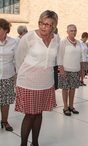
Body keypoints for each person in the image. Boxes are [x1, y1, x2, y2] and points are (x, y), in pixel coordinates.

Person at [15, 10, 59, 146]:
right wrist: (18, 77)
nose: (43, 26)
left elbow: (54, 59)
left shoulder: (56, 38)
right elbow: (19, 58)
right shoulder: (29, 37)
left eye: (47, 24)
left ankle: (35, 143)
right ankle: (23, 144)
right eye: (41, 23)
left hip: (46, 82)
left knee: (39, 113)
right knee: (30, 114)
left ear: (53, 26)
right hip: (29, 81)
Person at [58, 24, 84, 116]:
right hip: (66, 70)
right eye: (71, 31)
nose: (73, 32)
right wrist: (61, 70)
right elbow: (60, 57)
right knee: (65, 89)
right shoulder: (64, 42)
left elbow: (80, 57)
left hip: (76, 70)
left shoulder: (78, 42)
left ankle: (71, 106)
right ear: (67, 32)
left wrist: (82, 69)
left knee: (73, 89)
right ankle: (65, 107)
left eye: (75, 30)